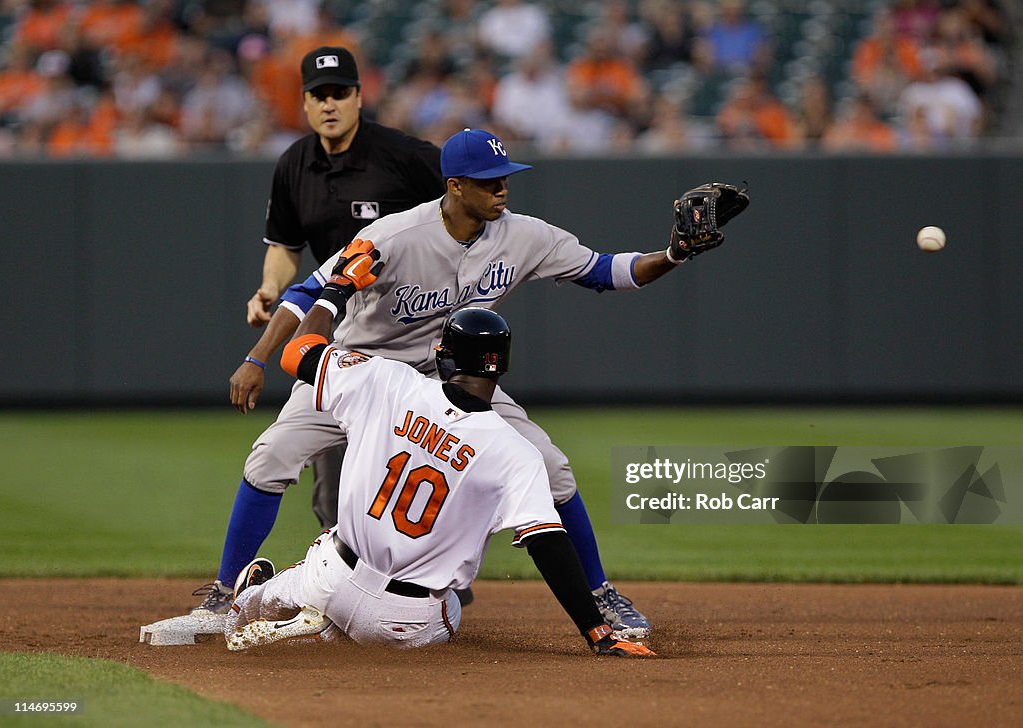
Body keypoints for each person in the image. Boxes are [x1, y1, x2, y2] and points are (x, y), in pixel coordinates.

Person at [210, 128, 746, 640]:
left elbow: (608, 271)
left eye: (506, 176)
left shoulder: (525, 234)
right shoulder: (393, 235)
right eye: (490, 180)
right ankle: (221, 594)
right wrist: (256, 359)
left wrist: (673, 255)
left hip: (451, 375)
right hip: (366, 370)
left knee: (550, 465)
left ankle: (599, 591)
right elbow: (309, 292)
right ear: (454, 187)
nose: (502, 188)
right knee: (271, 454)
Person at [223, 274, 654, 657]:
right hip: (404, 620)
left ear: (444, 356)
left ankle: (259, 603)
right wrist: (597, 631)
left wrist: (335, 289)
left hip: (334, 576)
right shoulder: (516, 452)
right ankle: (329, 633)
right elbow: (548, 544)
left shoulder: (386, 381)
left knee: (274, 589)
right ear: (500, 365)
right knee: (450, 603)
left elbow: (297, 353)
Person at [188, 45, 444, 614]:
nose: (329, 103)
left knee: (435, 465)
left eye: (340, 92)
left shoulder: (406, 157)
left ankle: (431, 580)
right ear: (303, 102)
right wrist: (268, 290)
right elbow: (285, 247)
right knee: (324, 484)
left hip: (415, 331)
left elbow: (462, 216)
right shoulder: (295, 163)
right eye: (318, 95)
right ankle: (250, 589)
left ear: (359, 96)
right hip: (340, 332)